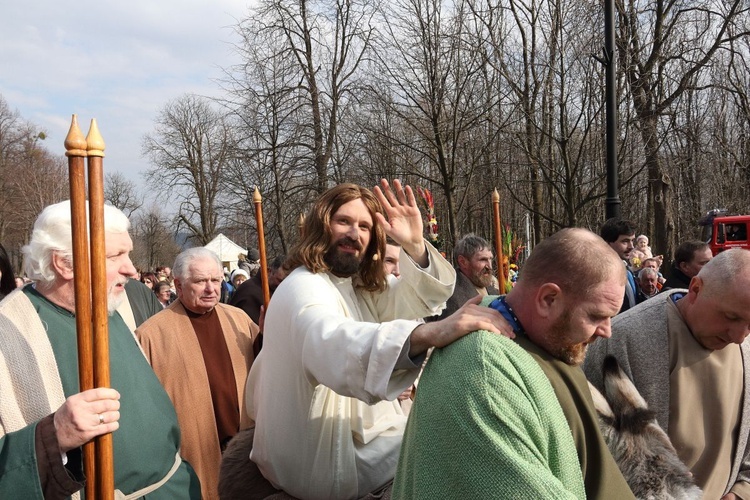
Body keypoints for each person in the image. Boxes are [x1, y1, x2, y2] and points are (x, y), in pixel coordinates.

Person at [246, 180, 508, 500]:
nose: (355, 234)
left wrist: (415, 246)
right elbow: (338, 344)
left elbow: (415, 297)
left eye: (365, 226)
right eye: (343, 221)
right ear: (320, 225)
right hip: (326, 462)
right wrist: (434, 332)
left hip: (357, 442)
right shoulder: (304, 289)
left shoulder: (348, 285)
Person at [394, 228, 634, 499]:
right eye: (596, 316)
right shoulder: (483, 374)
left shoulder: (541, 339)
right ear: (548, 299)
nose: (606, 331)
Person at [0, 201, 200, 498]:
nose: (131, 269)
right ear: (65, 264)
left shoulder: (109, 307)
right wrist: (53, 436)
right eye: (116, 255)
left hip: (175, 485)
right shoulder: (8, 330)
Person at [584, 248, 750, 499]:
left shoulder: (747, 348)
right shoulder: (621, 339)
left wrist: (740, 492)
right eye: (730, 317)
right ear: (695, 289)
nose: (739, 337)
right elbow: (589, 449)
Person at [137, 248, 259, 500]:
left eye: (215, 280)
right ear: (179, 285)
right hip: (194, 457)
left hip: (244, 452)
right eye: (201, 281)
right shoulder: (151, 334)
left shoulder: (239, 320)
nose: (211, 289)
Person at [427, 233, 499, 321]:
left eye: (490, 259)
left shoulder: (492, 290)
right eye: (483, 259)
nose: (489, 266)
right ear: (463, 262)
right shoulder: (450, 295)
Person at [230, 254, 286, 326]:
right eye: (279, 280)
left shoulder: (279, 292)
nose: (282, 285)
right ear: (268, 272)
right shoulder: (249, 291)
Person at [600, 217, 638, 312]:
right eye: (625, 241)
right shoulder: (600, 274)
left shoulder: (627, 270)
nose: (631, 246)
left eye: (632, 240)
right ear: (607, 243)